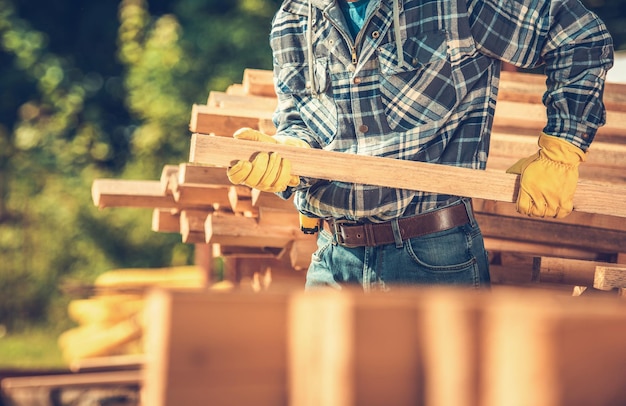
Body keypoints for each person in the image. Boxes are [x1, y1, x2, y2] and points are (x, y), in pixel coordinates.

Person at [226, 0, 614, 291]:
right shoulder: (295, 18)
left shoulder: (457, 5)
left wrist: (562, 148)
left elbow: (578, 36)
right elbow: (302, 123)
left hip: (433, 256)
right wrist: (286, 154)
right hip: (331, 258)